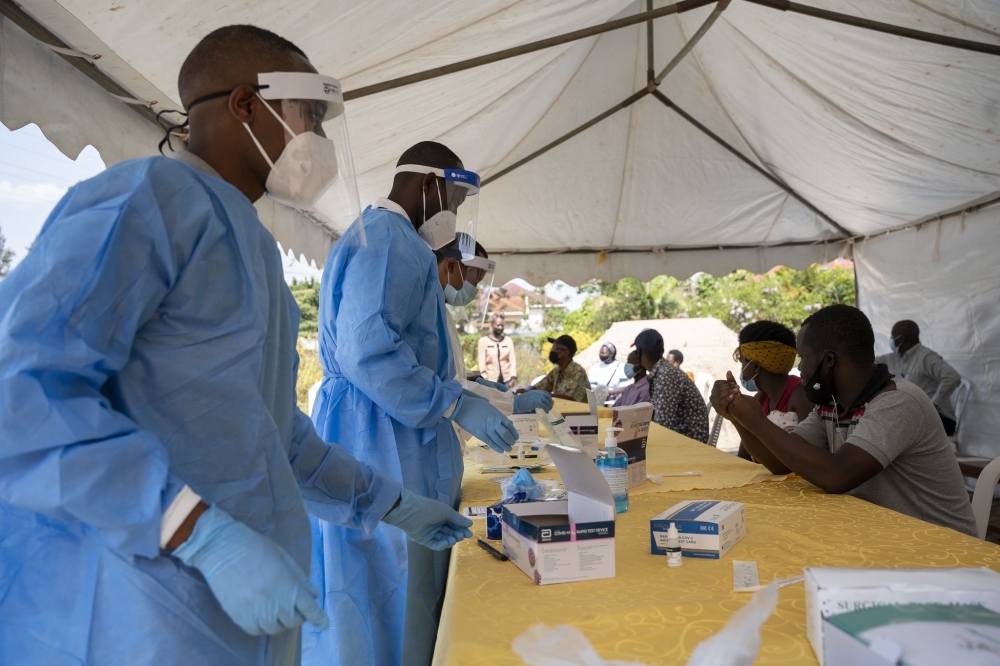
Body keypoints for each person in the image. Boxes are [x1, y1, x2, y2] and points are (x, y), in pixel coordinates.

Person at [0, 25, 470, 666]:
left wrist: (387, 501)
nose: (320, 142)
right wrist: (194, 530)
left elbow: (274, 436)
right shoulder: (145, 202)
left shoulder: (249, 246)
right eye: (311, 117)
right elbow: (23, 395)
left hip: (224, 608)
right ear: (245, 104)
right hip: (131, 602)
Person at [307, 141, 518, 666]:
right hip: (382, 435)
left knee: (383, 581)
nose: (454, 217)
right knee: (390, 581)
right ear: (430, 185)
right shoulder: (389, 241)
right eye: (454, 202)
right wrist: (451, 402)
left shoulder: (379, 236)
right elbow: (368, 351)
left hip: (379, 426)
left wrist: (456, 399)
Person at [712, 305, 977, 537]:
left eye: (803, 358)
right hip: (886, 535)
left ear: (828, 360)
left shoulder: (899, 402)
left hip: (939, 548)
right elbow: (781, 462)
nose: (799, 369)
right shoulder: (832, 404)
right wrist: (738, 417)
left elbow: (837, 475)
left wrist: (758, 421)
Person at [434, 239, 553, 432]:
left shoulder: (440, 310)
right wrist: (511, 402)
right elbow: (446, 386)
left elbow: (448, 375)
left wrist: (473, 379)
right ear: (451, 265)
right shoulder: (428, 312)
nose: (474, 290)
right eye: (473, 282)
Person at [734, 321, 815, 461]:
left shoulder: (801, 396)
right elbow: (744, 458)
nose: (742, 370)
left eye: (742, 363)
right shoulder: (760, 398)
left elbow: (807, 459)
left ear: (754, 367)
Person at [876, 319, 962, 436]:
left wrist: (932, 405)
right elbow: (868, 364)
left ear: (902, 338)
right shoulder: (894, 358)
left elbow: (952, 377)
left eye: (893, 336)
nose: (890, 339)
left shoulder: (926, 357)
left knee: (892, 428)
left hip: (939, 420)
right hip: (912, 416)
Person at [636, 329, 710, 443]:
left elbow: (662, 426)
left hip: (688, 444)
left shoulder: (665, 375)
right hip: (683, 438)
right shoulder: (663, 371)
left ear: (639, 352)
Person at [529, 334, 589, 402]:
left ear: (566, 353)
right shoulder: (556, 371)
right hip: (560, 410)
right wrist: (526, 390)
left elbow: (569, 399)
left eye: (555, 349)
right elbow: (539, 387)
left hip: (579, 411)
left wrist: (543, 395)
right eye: (552, 349)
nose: (552, 352)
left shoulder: (578, 372)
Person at [478, 313, 517, 388]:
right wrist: (485, 378)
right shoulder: (483, 342)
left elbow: (512, 360)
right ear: (492, 325)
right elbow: (482, 363)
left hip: (507, 381)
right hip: (491, 381)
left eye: (502, 326)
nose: (500, 327)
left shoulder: (508, 341)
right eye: (498, 325)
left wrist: (513, 378)